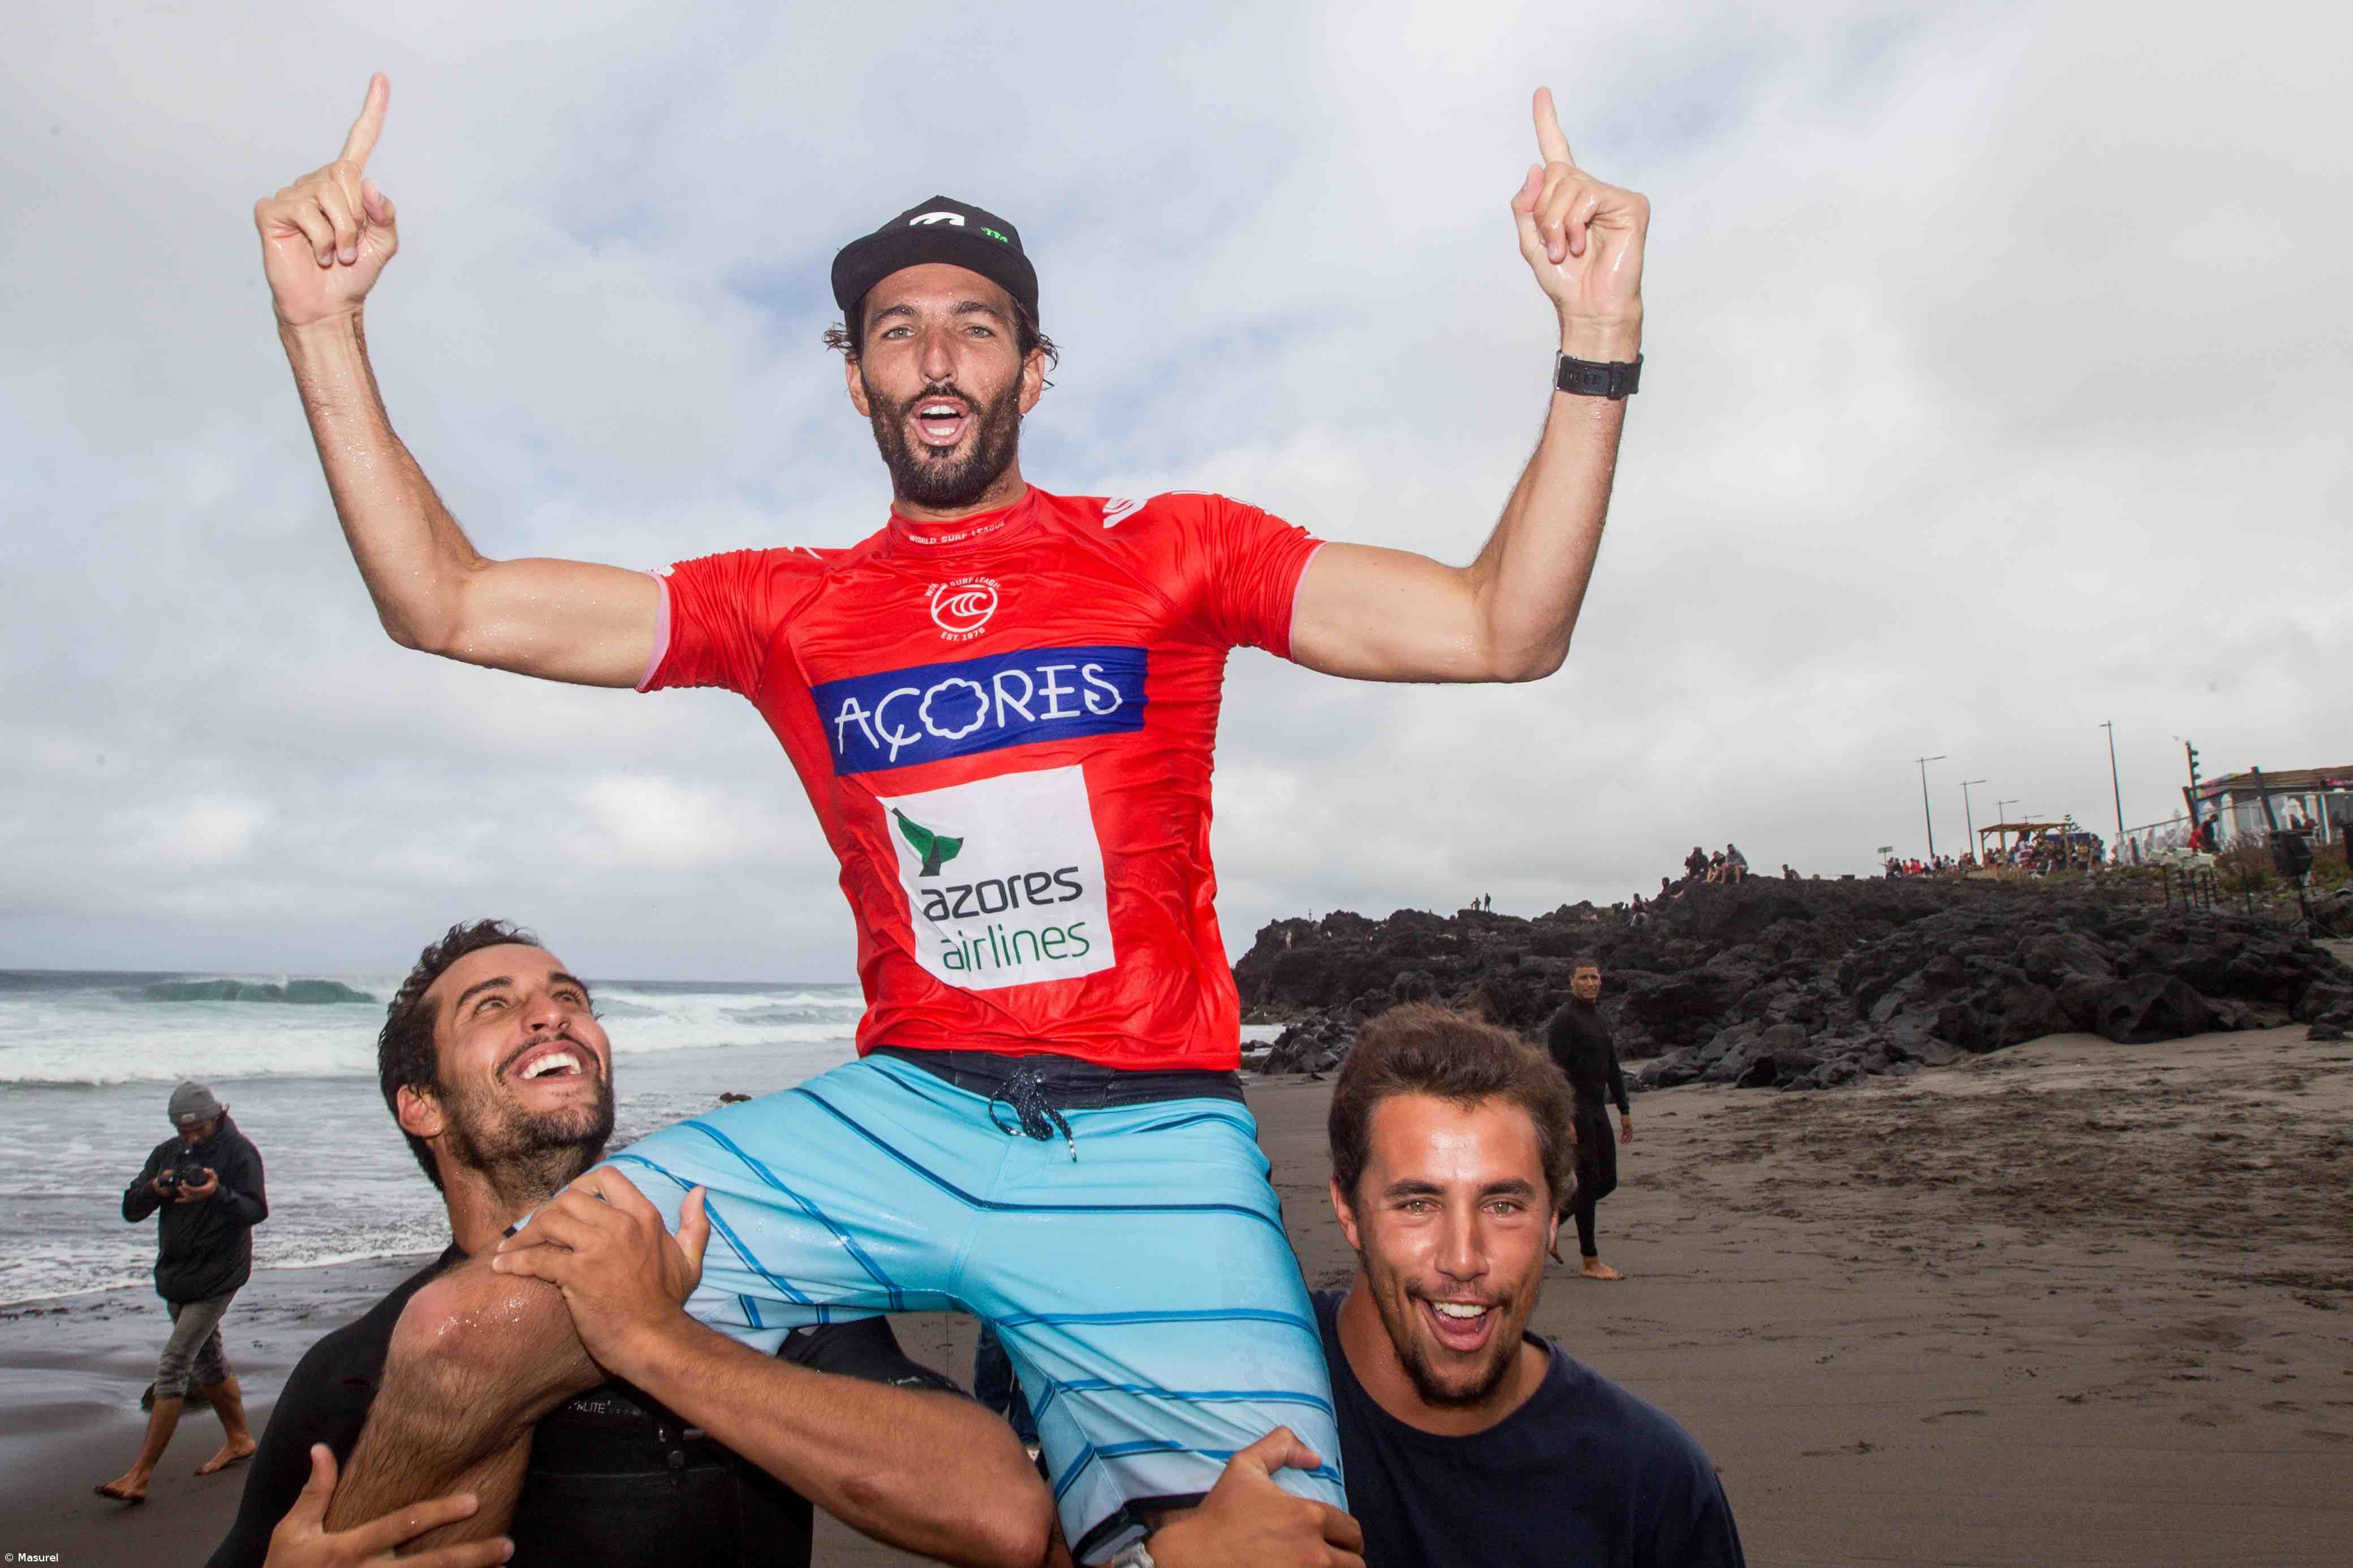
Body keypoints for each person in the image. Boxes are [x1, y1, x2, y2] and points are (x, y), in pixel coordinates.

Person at [256, 74, 1647, 1562]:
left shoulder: (1172, 551)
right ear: (853, 375)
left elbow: (1507, 626)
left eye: (976, 323)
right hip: (901, 1113)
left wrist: (1597, 336)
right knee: (464, 1328)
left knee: (1275, 1547)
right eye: (897, 328)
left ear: (1033, 371)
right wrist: (323, 323)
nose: (936, 351)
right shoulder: (786, 607)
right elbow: (445, 601)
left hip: (1148, 1134)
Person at [208, 921, 1048, 1568]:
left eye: (570, 998)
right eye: (493, 1005)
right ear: (420, 1104)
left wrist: (654, 1339)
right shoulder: (353, 1367)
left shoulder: (739, 1284)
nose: (553, 1015)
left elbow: (1001, 1511)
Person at [1313, 1004, 1742, 1567]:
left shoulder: (1653, 1485)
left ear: (1550, 1220)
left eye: (1502, 1205)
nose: (1463, 1259)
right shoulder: (1228, 1402)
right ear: (1347, 1210)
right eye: (1417, 1203)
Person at [98, 1081, 268, 1503]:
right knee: (209, 1359)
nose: (189, 1137)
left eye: (196, 1128)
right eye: (181, 1129)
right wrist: (155, 1188)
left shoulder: (238, 1152)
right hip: (176, 1274)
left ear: (216, 1116)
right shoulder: (167, 1153)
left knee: (174, 1363)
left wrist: (217, 1193)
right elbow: (130, 1209)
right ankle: (241, 1439)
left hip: (219, 1274)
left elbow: (255, 1209)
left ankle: (140, 1474)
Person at [1539, 965, 1634, 1278]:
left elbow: (1612, 1066)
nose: (1590, 983)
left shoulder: (1598, 1018)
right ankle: (1590, 1261)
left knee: (1608, 1182)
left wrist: (1624, 1108)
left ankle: (1550, 1226)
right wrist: (1565, 1117)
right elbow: (1556, 1073)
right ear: (1571, 982)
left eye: (1595, 978)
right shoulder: (1565, 1020)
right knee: (1589, 1181)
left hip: (1598, 1110)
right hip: (1576, 1110)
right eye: (1584, 978)